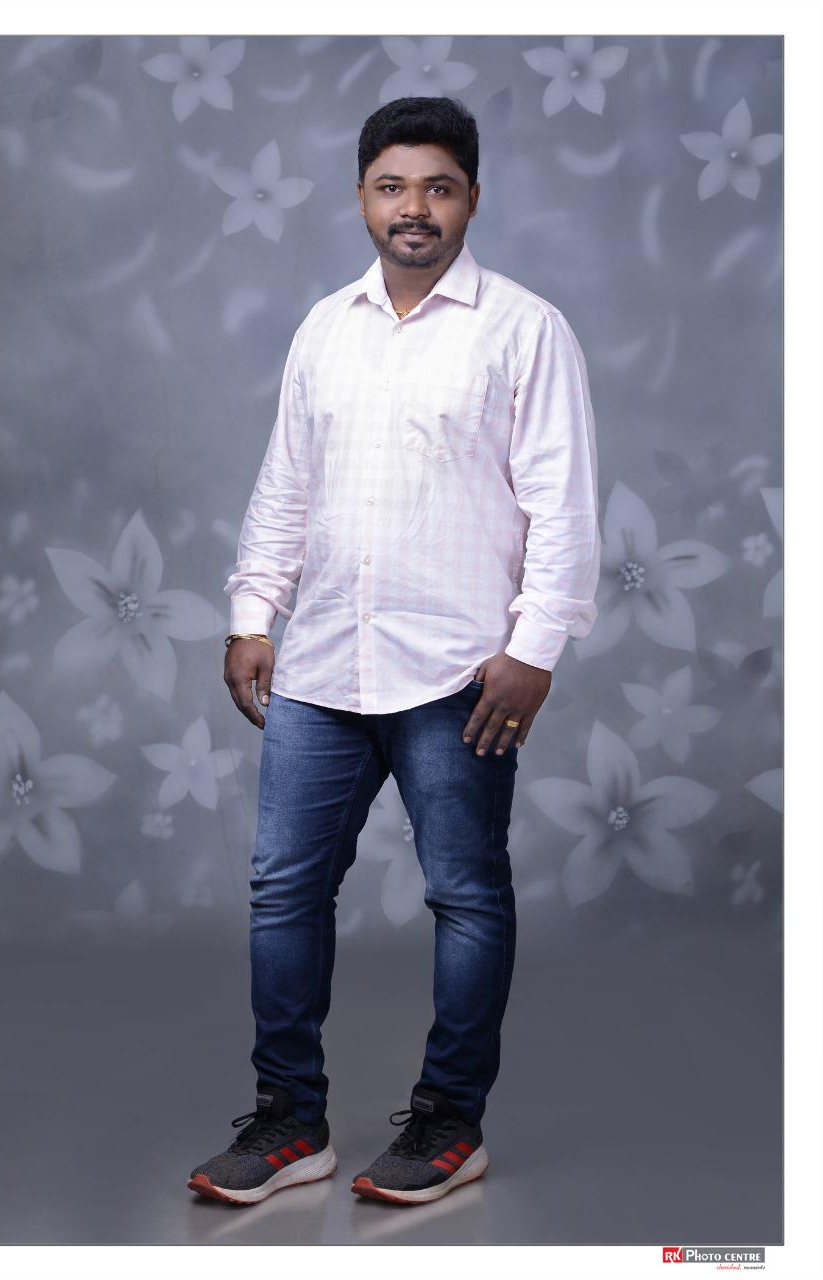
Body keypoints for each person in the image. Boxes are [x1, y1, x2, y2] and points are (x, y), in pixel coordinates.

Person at [187, 96, 600, 1206]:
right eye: (391, 186)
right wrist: (251, 614)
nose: (412, 208)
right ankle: (290, 1123)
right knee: (282, 891)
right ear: (362, 197)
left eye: (437, 187)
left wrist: (534, 647)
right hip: (323, 665)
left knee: (465, 894)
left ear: (472, 198)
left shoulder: (524, 329)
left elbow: (561, 504)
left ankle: (450, 1123)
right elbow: (286, 485)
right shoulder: (325, 328)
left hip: (460, 674)